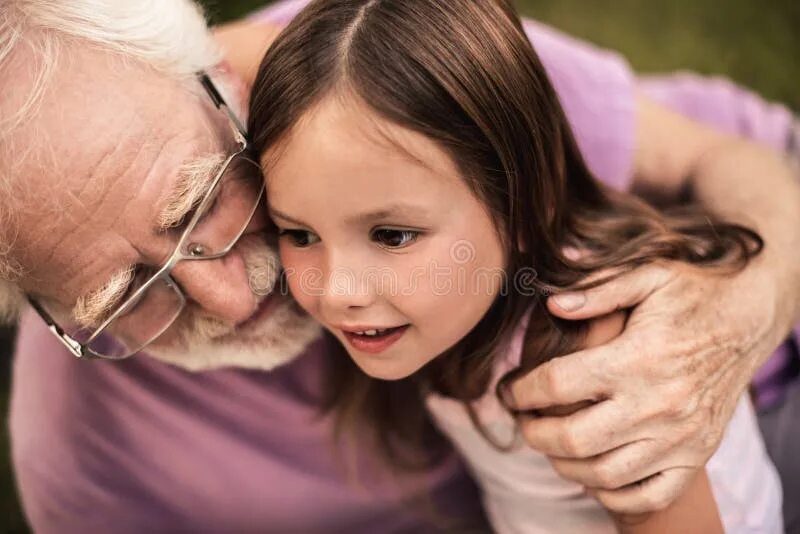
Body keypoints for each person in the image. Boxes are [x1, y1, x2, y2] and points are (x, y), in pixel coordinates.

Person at [1, 0, 798, 531]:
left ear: (222, 85)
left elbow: (730, 156)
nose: (233, 299)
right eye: (128, 293)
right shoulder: (80, 458)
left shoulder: (382, 79)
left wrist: (749, 306)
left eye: (199, 200)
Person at [246, 0, 780, 531]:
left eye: (392, 235)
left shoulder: (589, 350)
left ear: (525, 200)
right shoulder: (446, 315)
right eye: (300, 234)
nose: (337, 290)